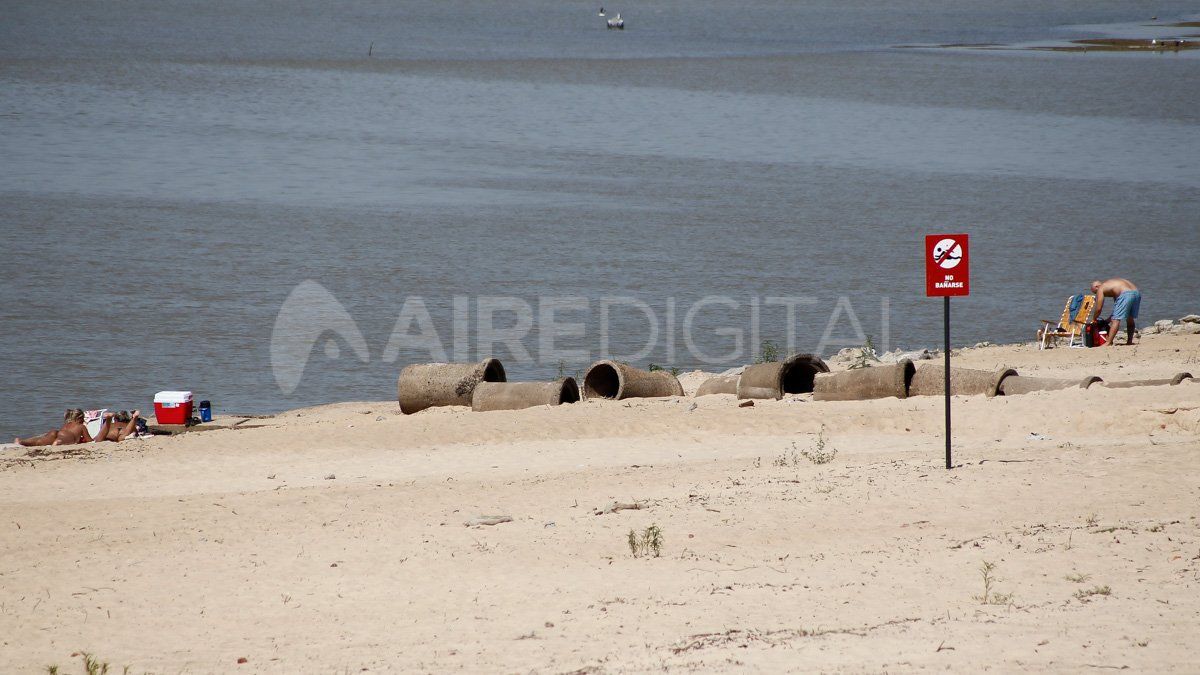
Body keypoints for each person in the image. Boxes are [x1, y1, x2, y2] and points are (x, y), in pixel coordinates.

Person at [1090, 278, 1140, 347]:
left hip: (1125, 294)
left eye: (1096, 293)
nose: (1097, 294)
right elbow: (1117, 310)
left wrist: (1094, 319)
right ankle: (1129, 341)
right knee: (1129, 318)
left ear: (1097, 287)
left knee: (1115, 320)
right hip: (1136, 293)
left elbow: (1098, 308)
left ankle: (1108, 342)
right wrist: (1107, 321)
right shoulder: (1112, 285)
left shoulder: (1101, 288)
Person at [14, 408, 93, 446]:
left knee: (39, 441)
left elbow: (64, 432)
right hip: (67, 436)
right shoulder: (81, 426)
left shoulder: (67, 424)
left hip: (56, 432)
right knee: (62, 440)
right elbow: (90, 441)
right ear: (79, 419)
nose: (84, 420)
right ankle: (58, 442)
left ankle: (21, 441)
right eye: (83, 419)